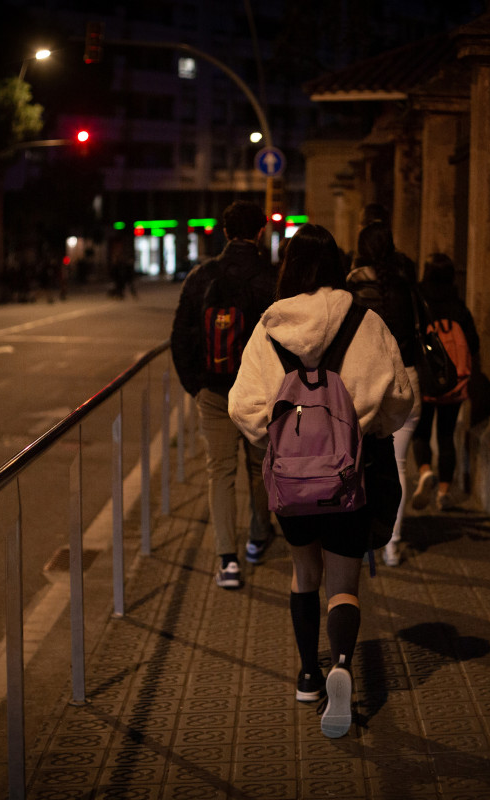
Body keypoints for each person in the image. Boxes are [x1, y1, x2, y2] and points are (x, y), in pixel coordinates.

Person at [229, 222, 413, 738]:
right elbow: (398, 398)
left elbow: (242, 407)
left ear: (288, 267)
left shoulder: (270, 329)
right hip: (352, 479)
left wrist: (283, 446)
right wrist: (361, 432)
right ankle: (342, 664)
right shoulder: (365, 322)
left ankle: (308, 675)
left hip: (291, 486)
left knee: (302, 574)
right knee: (343, 584)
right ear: (335, 264)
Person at [171, 200, 277, 589]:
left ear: (226, 232)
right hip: (259, 393)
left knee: (220, 472)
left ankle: (227, 560)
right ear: (260, 232)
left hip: (214, 391)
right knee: (259, 467)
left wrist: (196, 386)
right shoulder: (272, 277)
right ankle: (258, 537)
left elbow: (180, 337)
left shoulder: (201, 277)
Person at [346, 221, 420, 566]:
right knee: (400, 466)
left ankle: (358, 535)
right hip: (407, 379)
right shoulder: (405, 282)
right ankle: (392, 544)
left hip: (366, 381)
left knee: (356, 460)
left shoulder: (355, 285)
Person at [410, 253, 480, 510]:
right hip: (453, 382)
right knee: (446, 435)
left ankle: (426, 471)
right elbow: (473, 343)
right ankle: (443, 492)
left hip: (427, 380)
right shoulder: (458, 308)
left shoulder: (420, 303)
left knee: (421, 431)